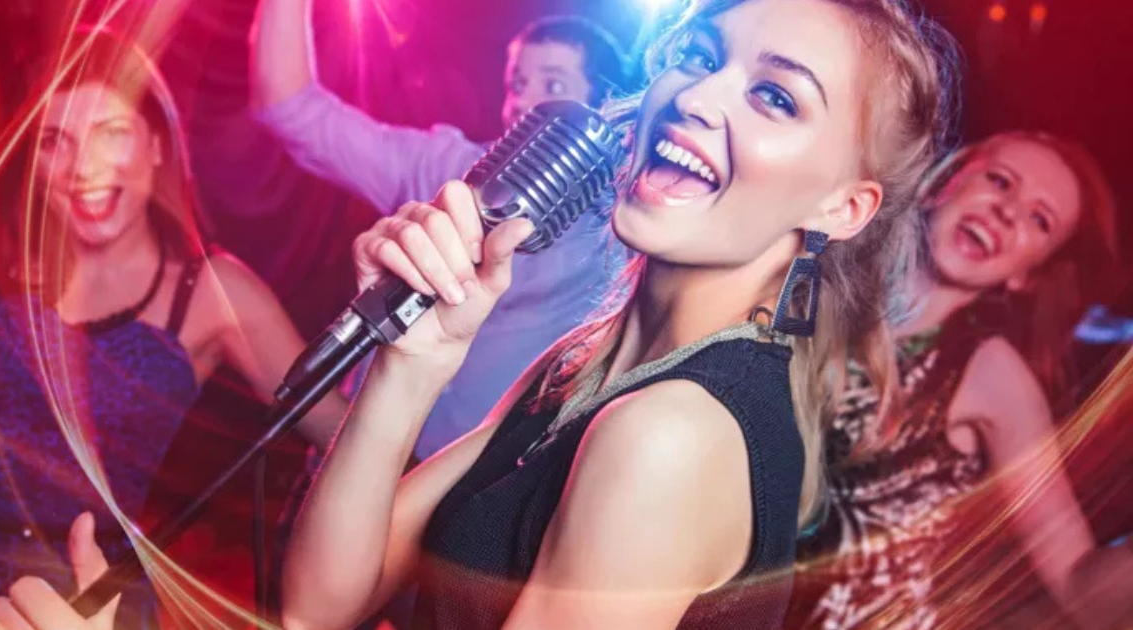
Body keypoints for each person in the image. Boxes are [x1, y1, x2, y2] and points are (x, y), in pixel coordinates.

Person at [278, 0, 957, 627]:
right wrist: (410, 366)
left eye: (775, 97)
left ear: (842, 208)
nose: (694, 96)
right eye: (699, 56)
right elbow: (319, 606)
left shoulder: (673, 433)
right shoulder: (585, 366)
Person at [0, 27, 346, 630]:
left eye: (112, 133)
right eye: (55, 142)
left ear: (157, 144)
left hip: (87, 589)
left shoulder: (213, 293)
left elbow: (342, 430)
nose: (85, 168)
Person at [251, 0, 633, 462]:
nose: (523, 104)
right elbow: (292, 109)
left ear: (601, 117)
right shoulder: (451, 168)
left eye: (552, 85)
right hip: (339, 461)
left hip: (453, 507)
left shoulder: (618, 229)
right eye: (517, 84)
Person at [784, 131, 1133, 630]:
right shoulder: (812, 285)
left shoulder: (992, 375)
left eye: (1039, 220)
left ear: (1025, 275)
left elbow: (1082, 588)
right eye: (1000, 181)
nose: (1007, 212)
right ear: (940, 183)